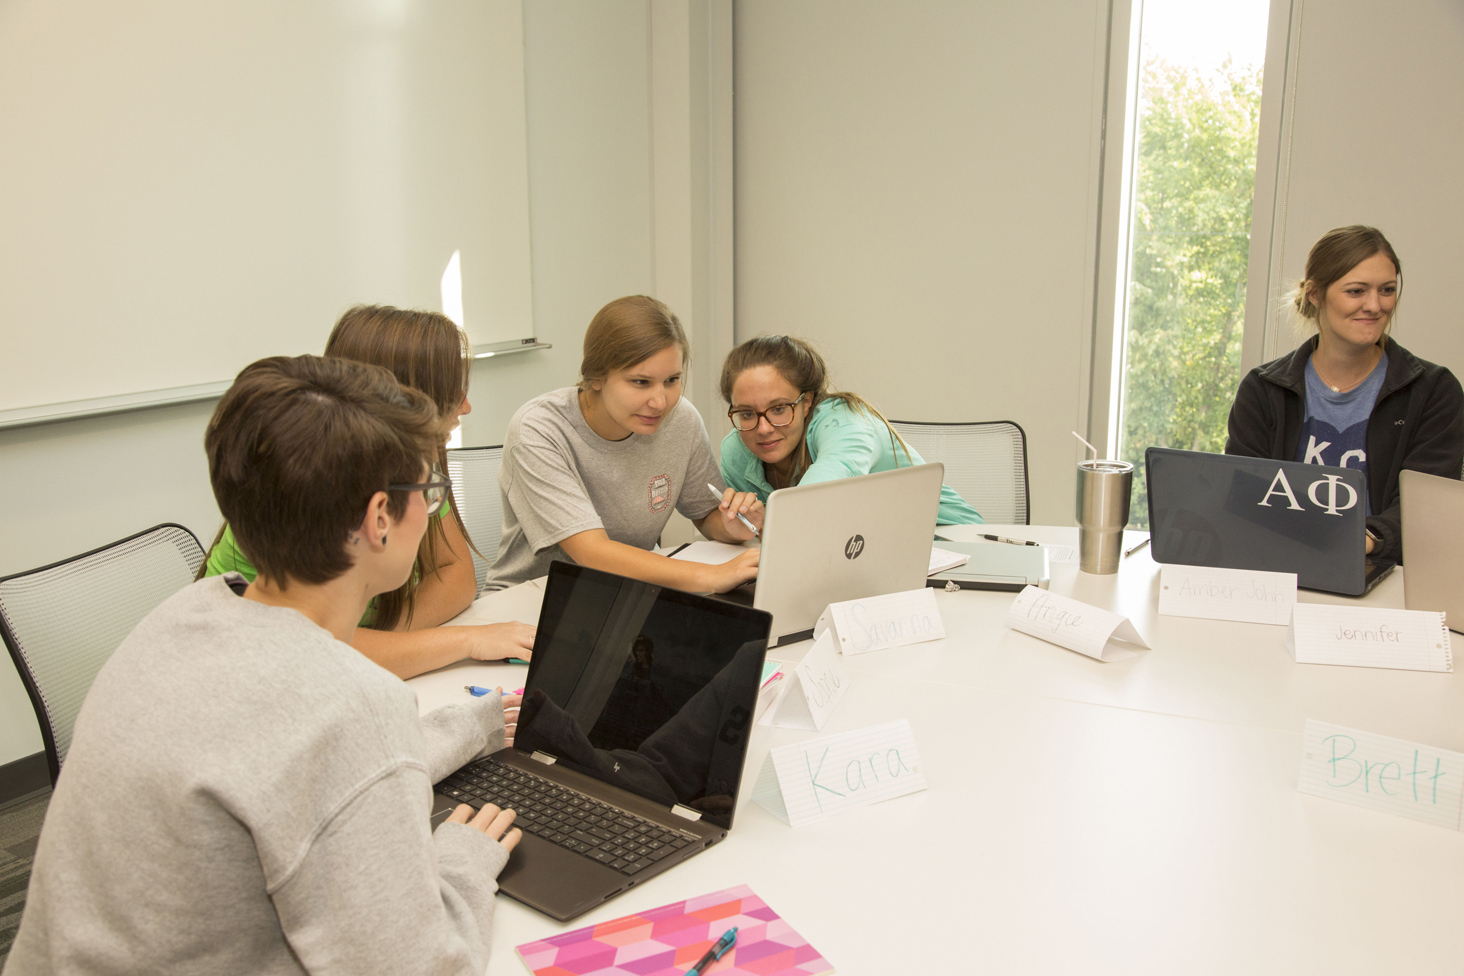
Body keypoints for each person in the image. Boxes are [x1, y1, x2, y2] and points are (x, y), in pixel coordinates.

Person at [5, 356, 524, 974]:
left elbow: (289, 767)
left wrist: (468, 727)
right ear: (380, 518)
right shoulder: (349, 703)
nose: (432, 511)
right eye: (429, 492)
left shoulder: (178, 618)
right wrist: (462, 862)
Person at [204, 305, 534, 678]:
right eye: (450, 390)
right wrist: (463, 641)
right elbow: (308, 652)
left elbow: (455, 575)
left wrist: (377, 645)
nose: (466, 405)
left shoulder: (408, 470)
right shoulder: (294, 502)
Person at [485, 296, 762, 593]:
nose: (660, 402)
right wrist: (710, 576)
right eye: (640, 382)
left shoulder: (681, 420)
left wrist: (733, 526)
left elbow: (706, 514)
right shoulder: (537, 430)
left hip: (626, 597)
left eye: (671, 380)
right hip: (530, 599)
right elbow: (592, 552)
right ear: (596, 377)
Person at [1225, 225, 1464, 563]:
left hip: (1386, 579)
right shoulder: (1263, 390)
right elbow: (1245, 499)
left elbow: (1428, 507)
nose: (1375, 305)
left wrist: (1361, 543)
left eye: (1387, 290)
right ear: (1315, 294)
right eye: (1356, 291)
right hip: (1278, 573)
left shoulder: (1435, 391)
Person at [718, 334, 984, 524]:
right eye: (747, 413)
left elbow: (813, 500)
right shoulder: (736, 450)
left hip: (954, 546)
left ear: (807, 401)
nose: (763, 429)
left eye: (779, 409)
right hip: (863, 553)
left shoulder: (844, 420)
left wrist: (769, 524)